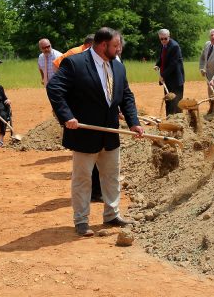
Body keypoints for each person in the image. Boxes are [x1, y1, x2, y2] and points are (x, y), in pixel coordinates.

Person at [46, 27, 144, 237]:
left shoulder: (118, 66)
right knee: (83, 179)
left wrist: (133, 122)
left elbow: (126, 95)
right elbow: (54, 88)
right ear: (102, 45)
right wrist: (67, 117)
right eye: (116, 46)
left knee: (111, 177)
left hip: (110, 133)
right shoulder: (75, 63)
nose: (119, 50)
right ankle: (81, 221)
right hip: (84, 133)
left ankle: (112, 214)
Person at [52, 34, 103, 202]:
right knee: (85, 159)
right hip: (80, 114)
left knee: (98, 159)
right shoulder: (74, 55)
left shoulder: (103, 58)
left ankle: (97, 192)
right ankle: (89, 195)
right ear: (90, 46)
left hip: (98, 115)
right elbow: (56, 77)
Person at [153, 29, 185, 115]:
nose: (163, 40)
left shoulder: (175, 46)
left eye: (165, 38)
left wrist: (162, 75)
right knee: (168, 99)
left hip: (175, 79)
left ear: (169, 37)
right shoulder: (163, 45)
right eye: (161, 39)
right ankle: (169, 119)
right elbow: (162, 57)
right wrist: (157, 65)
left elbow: (173, 64)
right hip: (167, 78)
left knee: (176, 101)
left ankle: (178, 121)